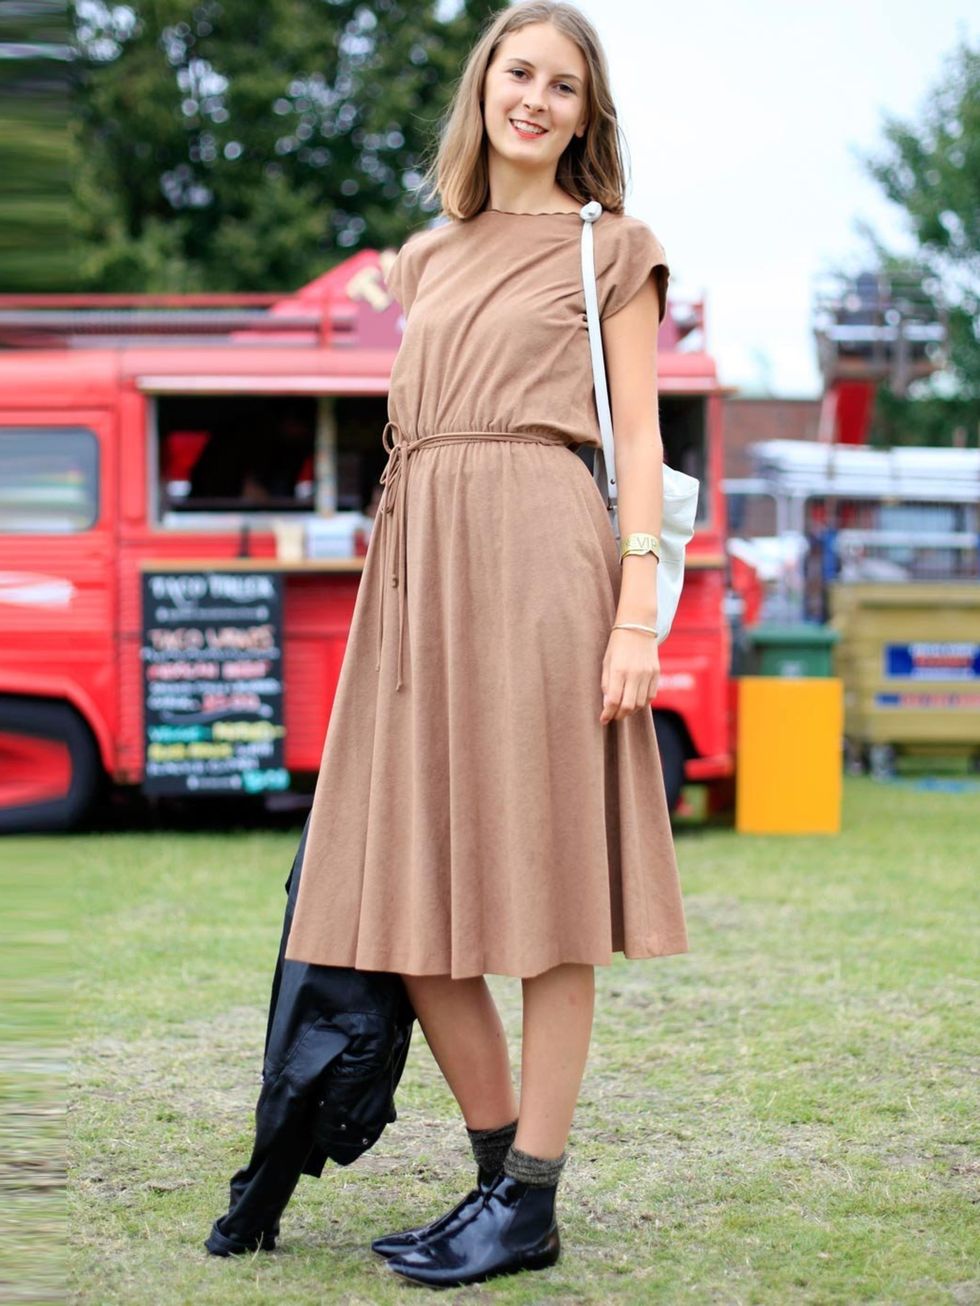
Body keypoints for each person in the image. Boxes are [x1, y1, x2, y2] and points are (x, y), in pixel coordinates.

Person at [282, 0, 689, 1288]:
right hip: (420, 564)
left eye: (563, 85)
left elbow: (638, 440)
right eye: (519, 72)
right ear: (484, 87)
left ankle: (531, 1195)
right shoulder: (422, 255)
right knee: (407, 901)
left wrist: (636, 620)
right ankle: (503, 1179)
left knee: (551, 896)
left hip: (544, 556)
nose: (537, 98)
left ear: (586, 113)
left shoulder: (610, 247)